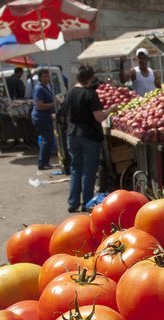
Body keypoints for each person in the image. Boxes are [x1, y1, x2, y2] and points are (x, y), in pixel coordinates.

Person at [60, 64, 109, 213]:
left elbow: (63, 112)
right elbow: (99, 116)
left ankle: (73, 203)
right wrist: (111, 111)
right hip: (89, 136)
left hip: (72, 134)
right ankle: (87, 202)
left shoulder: (70, 92)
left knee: (75, 168)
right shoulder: (90, 93)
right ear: (91, 77)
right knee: (89, 170)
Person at [32, 69, 57, 170]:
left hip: (47, 117)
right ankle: (42, 163)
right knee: (47, 140)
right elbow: (39, 105)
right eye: (44, 77)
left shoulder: (46, 87)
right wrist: (53, 104)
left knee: (49, 140)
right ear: (40, 78)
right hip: (41, 118)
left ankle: (45, 162)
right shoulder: (39, 89)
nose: (47, 78)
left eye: (47, 76)